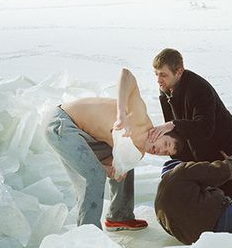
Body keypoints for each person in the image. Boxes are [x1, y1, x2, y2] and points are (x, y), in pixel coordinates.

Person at [45, 68, 183, 231]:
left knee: (126, 166)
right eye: (165, 144)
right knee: (94, 175)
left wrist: (114, 169)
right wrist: (121, 115)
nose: (160, 150)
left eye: (165, 153)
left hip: (87, 138)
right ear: (162, 132)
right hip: (61, 122)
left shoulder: (137, 153)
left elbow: (113, 167)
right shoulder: (139, 118)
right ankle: (88, 234)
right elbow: (126, 74)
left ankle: (119, 217)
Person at [148, 48, 232, 200]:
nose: (158, 80)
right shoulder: (165, 90)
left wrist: (172, 124)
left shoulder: (198, 89)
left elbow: (204, 128)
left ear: (179, 71)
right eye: (156, 74)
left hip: (229, 158)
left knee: (218, 206)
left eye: (163, 75)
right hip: (201, 159)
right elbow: (176, 133)